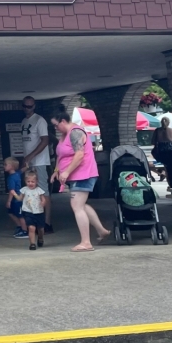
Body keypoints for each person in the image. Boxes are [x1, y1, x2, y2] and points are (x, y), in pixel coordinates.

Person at [51, 107, 110, 252]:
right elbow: (61, 154)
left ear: (63, 121)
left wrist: (66, 172)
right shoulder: (64, 135)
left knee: (77, 206)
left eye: (56, 125)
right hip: (75, 175)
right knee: (81, 205)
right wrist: (57, 170)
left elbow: (79, 155)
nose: (55, 128)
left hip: (83, 174)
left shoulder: (75, 132)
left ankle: (86, 242)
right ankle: (101, 230)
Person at [20, 97, 54, 232]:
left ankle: (47, 223)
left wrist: (31, 156)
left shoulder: (40, 120)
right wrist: (25, 159)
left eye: (30, 106)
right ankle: (35, 221)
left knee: (43, 192)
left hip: (40, 162)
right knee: (31, 191)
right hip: (29, 162)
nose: (27, 109)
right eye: (25, 106)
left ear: (34, 106)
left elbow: (45, 140)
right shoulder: (24, 121)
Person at [13, 168, 48, 250]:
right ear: (25, 181)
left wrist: (43, 202)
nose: (30, 183)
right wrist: (14, 194)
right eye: (28, 181)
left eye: (32, 182)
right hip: (28, 212)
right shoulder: (24, 190)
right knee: (31, 228)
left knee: (40, 228)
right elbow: (20, 199)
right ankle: (32, 244)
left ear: (36, 181)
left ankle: (40, 238)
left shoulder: (39, 190)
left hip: (39, 212)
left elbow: (44, 199)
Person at [151, 117, 172, 190]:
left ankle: (168, 181)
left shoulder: (157, 131)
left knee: (166, 167)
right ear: (168, 123)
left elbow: (153, 142)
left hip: (162, 152)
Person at [3, 157, 28, 238]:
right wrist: (26, 167)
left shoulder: (11, 178)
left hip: (17, 200)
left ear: (11, 166)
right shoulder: (17, 173)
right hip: (16, 199)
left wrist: (9, 201)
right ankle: (20, 226)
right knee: (11, 213)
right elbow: (22, 170)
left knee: (20, 216)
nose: (4, 166)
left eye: (5, 164)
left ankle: (24, 231)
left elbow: (12, 191)